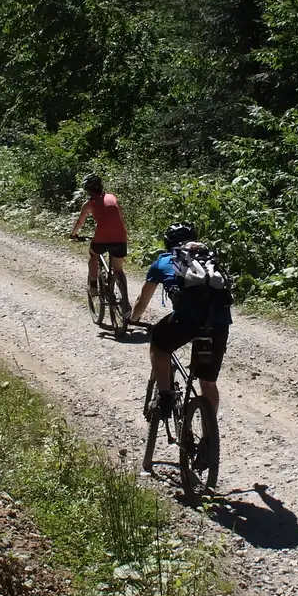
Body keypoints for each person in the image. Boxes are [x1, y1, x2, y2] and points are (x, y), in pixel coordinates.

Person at [130, 223, 232, 474]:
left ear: (167, 243)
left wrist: (132, 320)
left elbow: (143, 300)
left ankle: (165, 397)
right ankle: (208, 438)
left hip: (186, 321)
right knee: (208, 383)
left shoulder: (163, 262)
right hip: (219, 323)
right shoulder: (208, 258)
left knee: (159, 345)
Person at [68, 173, 129, 312]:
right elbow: (121, 217)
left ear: (87, 190)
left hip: (102, 238)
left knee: (93, 254)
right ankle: (125, 301)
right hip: (121, 237)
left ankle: (94, 285)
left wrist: (73, 234)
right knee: (118, 270)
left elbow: (80, 222)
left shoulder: (90, 204)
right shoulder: (113, 198)